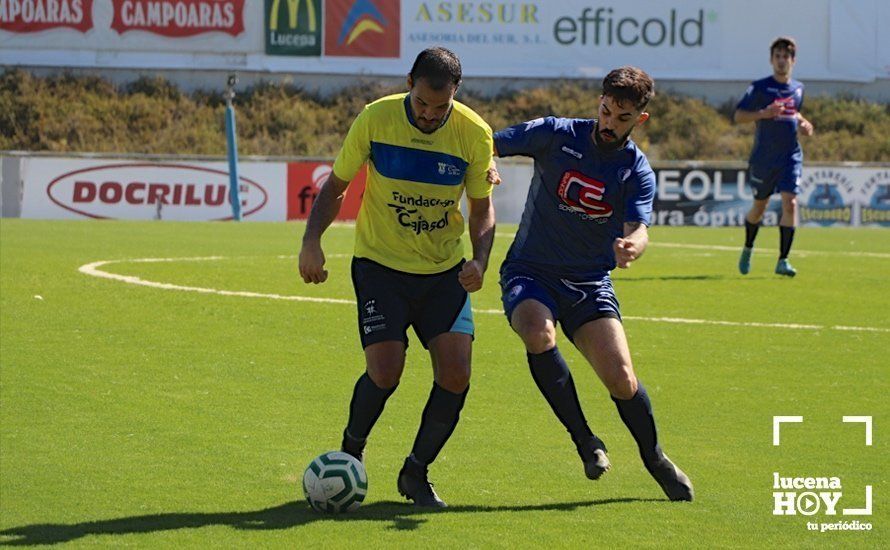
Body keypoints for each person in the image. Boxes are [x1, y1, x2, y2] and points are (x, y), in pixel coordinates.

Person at [298, 47, 495, 508]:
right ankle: (350, 453)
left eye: (439, 107)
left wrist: (481, 261)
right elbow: (337, 185)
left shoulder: (474, 134)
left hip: (443, 270)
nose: (429, 115)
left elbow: (482, 210)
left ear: (455, 95)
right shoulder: (375, 119)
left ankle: (415, 473)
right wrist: (312, 241)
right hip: (380, 265)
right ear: (410, 83)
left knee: (456, 374)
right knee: (385, 372)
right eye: (423, 104)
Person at [491, 66, 693, 501]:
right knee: (537, 331)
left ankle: (655, 458)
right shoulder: (555, 133)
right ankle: (585, 441)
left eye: (622, 118)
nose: (609, 123)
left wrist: (635, 245)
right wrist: (487, 160)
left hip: (588, 280)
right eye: (605, 111)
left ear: (640, 119)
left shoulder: (635, 169)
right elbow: (488, 141)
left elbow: (640, 226)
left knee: (621, 379)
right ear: (599, 102)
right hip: (531, 270)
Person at [735, 36, 814, 277]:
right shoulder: (759, 87)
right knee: (760, 208)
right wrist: (764, 113)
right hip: (764, 159)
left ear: (793, 61)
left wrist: (804, 123)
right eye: (777, 57)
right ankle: (748, 247)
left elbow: (795, 113)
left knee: (791, 203)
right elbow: (739, 116)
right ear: (771, 60)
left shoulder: (798, 88)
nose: (782, 61)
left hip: (790, 156)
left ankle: (783, 260)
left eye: (786, 57)